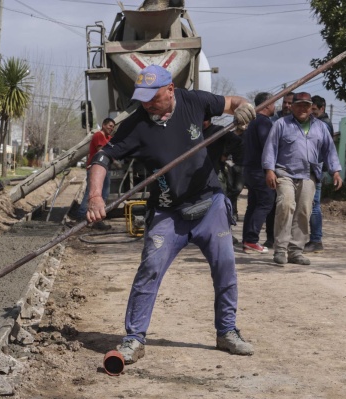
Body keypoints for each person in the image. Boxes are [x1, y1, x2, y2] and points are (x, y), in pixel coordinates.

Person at [85, 64, 256, 364]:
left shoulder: (194, 101)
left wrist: (244, 109)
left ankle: (226, 332)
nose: (148, 103)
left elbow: (232, 103)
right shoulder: (135, 126)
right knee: (149, 271)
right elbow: (102, 158)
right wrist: (96, 196)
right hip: (167, 211)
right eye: (143, 98)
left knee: (226, 266)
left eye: (154, 96)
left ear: (170, 89)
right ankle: (134, 338)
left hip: (209, 204)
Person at [262, 92, 343, 266]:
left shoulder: (320, 127)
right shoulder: (281, 124)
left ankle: (295, 251)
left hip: (308, 175)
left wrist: (335, 171)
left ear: (310, 107)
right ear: (292, 106)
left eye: (306, 105)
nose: (302, 109)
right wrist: (269, 170)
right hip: (284, 174)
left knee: (304, 211)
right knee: (285, 205)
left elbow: (330, 150)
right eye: (298, 105)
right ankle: (280, 250)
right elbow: (270, 148)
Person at [241, 92, 277, 254]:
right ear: (268, 104)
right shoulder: (263, 123)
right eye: (274, 103)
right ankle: (252, 239)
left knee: (253, 204)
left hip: (249, 169)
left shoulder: (252, 122)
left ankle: (247, 241)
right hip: (259, 170)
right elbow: (268, 147)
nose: (275, 107)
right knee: (266, 202)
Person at [72, 117, 116, 230]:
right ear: (103, 125)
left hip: (105, 169)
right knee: (91, 193)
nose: (111, 128)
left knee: (104, 194)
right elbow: (102, 150)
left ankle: (97, 219)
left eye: (113, 127)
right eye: (110, 126)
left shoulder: (109, 138)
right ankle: (81, 217)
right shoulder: (99, 135)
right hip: (95, 168)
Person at [305, 95, 334, 253]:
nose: (311, 112)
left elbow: (325, 151)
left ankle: (316, 239)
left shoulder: (323, 125)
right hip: (314, 170)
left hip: (316, 171)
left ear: (322, 108)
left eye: (314, 109)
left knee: (314, 206)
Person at [265, 92, 294, 248]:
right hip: (275, 170)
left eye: (290, 103)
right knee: (273, 205)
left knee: (291, 207)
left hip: (293, 173)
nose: (287, 105)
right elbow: (269, 147)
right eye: (285, 102)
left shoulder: (300, 124)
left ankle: (288, 240)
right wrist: (269, 169)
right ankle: (271, 237)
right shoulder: (273, 120)